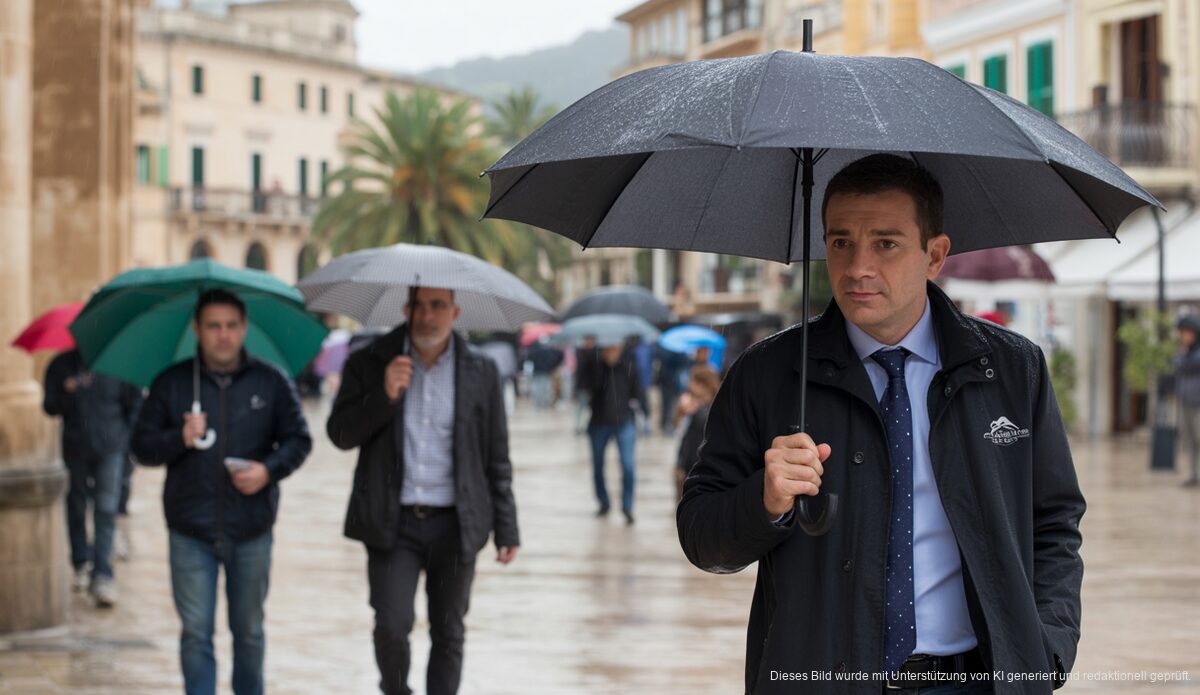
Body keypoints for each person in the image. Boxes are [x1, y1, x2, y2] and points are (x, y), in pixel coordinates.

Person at [678, 154, 1085, 694]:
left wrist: (1045, 650)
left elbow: (1054, 524)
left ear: (934, 255)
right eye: (840, 242)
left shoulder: (1012, 369)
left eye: (885, 244)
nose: (857, 267)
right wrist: (765, 500)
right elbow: (701, 537)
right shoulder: (767, 374)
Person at [327, 286, 519, 695]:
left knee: (449, 631)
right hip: (392, 522)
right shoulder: (369, 362)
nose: (427, 316)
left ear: (455, 312)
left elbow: (496, 455)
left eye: (438, 306)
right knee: (391, 626)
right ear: (405, 308)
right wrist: (383, 396)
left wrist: (507, 527)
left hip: (456, 523)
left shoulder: (481, 371)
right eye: (418, 305)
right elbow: (340, 435)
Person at [132, 288, 312, 695]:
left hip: (251, 528)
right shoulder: (172, 383)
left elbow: (299, 440)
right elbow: (141, 448)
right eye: (213, 326)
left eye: (231, 325)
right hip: (190, 530)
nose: (223, 335)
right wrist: (179, 437)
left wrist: (268, 471)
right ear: (197, 329)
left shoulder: (271, 381)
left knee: (248, 632)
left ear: (244, 327)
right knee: (196, 633)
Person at [42, 349, 142, 606]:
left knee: (106, 509)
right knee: (76, 507)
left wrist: (127, 443)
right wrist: (68, 391)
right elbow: (50, 406)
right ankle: (81, 562)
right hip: (75, 448)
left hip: (111, 449)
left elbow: (134, 406)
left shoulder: (119, 366)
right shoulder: (61, 365)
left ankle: (102, 574)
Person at [588, 340, 648, 525]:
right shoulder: (594, 364)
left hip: (624, 422)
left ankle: (627, 506)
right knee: (598, 464)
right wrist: (602, 365)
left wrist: (644, 415)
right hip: (598, 422)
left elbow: (638, 393)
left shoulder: (629, 365)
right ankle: (603, 501)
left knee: (628, 465)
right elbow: (585, 387)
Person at [672, 365, 721, 502]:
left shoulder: (713, 407)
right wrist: (681, 411)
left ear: (703, 385)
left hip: (701, 466)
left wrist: (694, 410)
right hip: (688, 461)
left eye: (692, 381)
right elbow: (680, 430)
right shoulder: (692, 403)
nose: (689, 385)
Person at [1175, 314, 1200, 487]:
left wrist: (1182, 359)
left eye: (1185, 332)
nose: (1182, 336)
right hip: (1185, 402)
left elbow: (1187, 365)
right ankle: (1193, 474)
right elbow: (1177, 363)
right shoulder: (1185, 352)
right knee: (1190, 440)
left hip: (1198, 404)